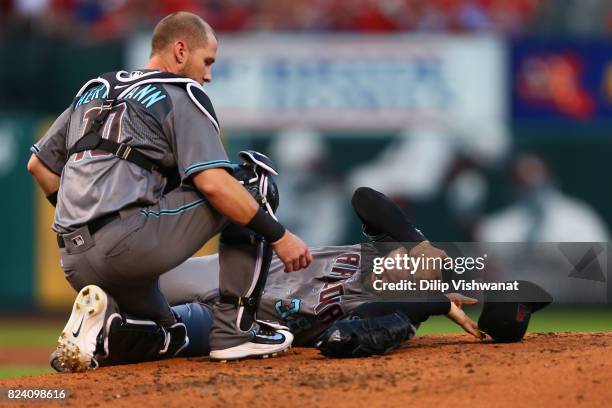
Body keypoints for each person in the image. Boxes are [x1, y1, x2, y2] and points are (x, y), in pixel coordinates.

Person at [27, 11, 312, 371]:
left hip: (74, 260)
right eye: (207, 61)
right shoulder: (181, 92)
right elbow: (214, 185)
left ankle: (103, 332)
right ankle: (236, 332)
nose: (208, 74)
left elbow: (39, 167)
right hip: (127, 246)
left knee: (167, 333)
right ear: (181, 50)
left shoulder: (94, 88)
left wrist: (84, 224)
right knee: (250, 182)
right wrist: (279, 236)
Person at [50, 186, 483, 371]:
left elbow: (347, 335)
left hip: (248, 321)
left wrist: (435, 304)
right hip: (239, 271)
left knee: (174, 329)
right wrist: (414, 241)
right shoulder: (379, 249)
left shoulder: (393, 313)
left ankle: (101, 337)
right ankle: (100, 320)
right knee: (133, 286)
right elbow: (364, 198)